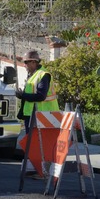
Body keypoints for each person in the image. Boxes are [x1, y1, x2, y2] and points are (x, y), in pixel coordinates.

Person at [16, 50, 59, 178]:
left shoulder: (43, 75)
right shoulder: (33, 75)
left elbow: (40, 96)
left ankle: (42, 172)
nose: (25, 65)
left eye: (26, 63)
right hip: (34, 114)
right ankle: (36, 169)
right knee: (34, 143)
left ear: (34, 62)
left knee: (40, 143)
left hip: (43, 116)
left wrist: (22, 95)